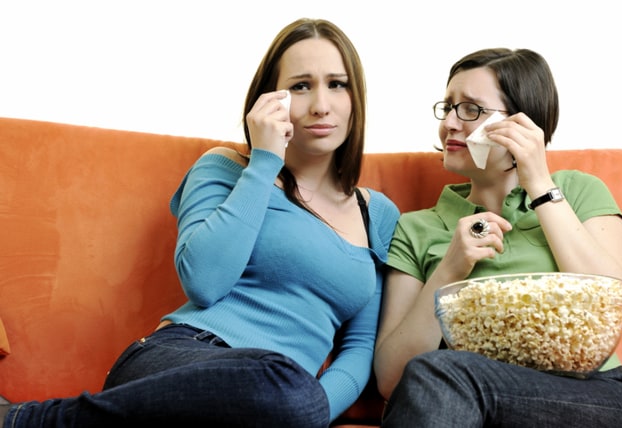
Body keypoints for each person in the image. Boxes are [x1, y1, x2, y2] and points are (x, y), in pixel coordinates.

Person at [1, 17, 399, 428]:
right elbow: (204, 282)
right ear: (270, 101)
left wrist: (310, 408)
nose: (321, 103)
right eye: (301, 85)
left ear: (356, 97)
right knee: (285, 386)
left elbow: (360, 346)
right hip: (182, 356)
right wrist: (265, 163)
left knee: (289, 389)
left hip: (272, 396)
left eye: (337, 83)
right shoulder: (226, 169)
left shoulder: (378, 214)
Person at [373, 48, 622, 427]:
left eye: (471, 109)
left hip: (596, 395)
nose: (451, 123)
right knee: (438, 373)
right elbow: (393, 379)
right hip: (467, 399)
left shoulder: (576, 191)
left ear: (522, 124)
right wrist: (451, 267)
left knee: (445, 373)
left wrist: (539, 183)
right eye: (449, 106)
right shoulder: (417, 227)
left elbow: (613, 297)